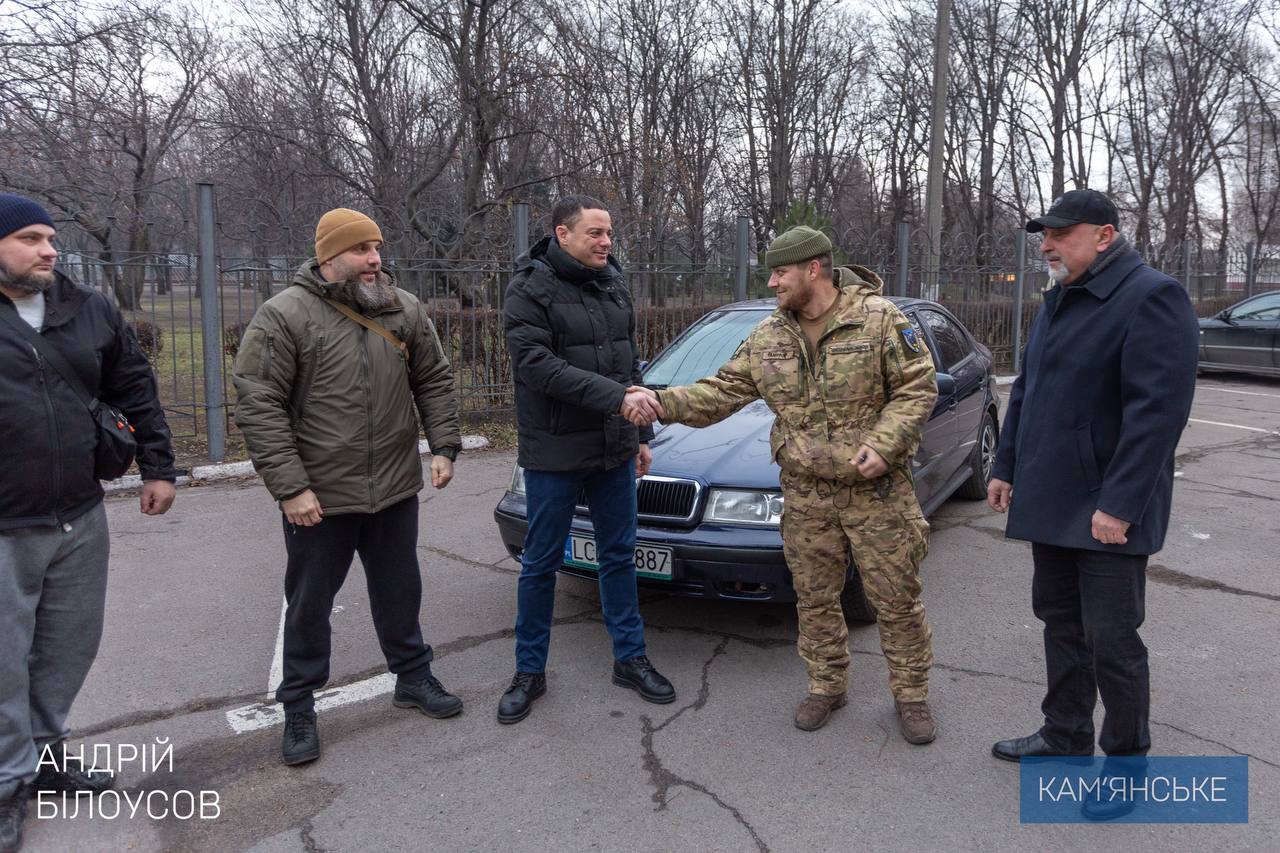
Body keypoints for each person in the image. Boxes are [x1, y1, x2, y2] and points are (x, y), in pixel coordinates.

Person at [642, 226, 940, 743]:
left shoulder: (878, 320)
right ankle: (827, 685)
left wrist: (885, 443)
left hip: (878, 493)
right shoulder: (769, 336)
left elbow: (918, 387)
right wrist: (659, 402)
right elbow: (722, 392)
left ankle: (911, 696)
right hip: (804, 493)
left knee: (895, 598)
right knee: (814, 597)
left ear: (813, 269)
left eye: (780, 272)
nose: (773, 281)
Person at [232, 208, 462, 766]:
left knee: (400, 588)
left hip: (393, 487)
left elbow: (432, 377)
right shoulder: (283, 315)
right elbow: (258, 403)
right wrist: (290, 487)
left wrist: (444, 445)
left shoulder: (401, 308)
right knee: (310, 604)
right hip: (319, 495)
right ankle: (299, 707)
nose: (375, 259)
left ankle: (412, 676)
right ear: (329, 256)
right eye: (362, 250)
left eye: (377, 248)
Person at [987, 189, 1198, 777]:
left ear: (1104, 236)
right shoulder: (1060, 298)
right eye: (1044, 235)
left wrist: (1120, 505)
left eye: (1060, 234)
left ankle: (1127, 760)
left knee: (1113, 641)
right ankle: (1066, 735)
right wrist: (1006, 467)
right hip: (1051, 498)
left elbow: (1157, 416)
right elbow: (1029, 390)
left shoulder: (1152, 297)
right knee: (1060, 622)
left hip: (1109, 512)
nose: (1047, 245)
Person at [0, 194, 176, 852]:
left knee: (69, 648)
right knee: (2, 661)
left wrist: (159, 467)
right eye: (28, 238)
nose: (48, 248)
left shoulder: (87, 306)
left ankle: (42, 758)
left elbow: (135, 386)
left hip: (79, 512)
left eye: (49, 237)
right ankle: (6, 780)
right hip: (6, 524)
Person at [498, 194, 675, 724]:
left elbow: (628, 361)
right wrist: (616, 399)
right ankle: (529, 671)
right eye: (595, 233)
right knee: (540, 564)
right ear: (562, 234)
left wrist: (641, 432)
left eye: (609, 233)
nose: (605, 242)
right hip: (554, 452)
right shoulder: (528, 289)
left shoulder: (613, 284)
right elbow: (538, 367)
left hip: (614, 447)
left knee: (619, 555)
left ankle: (630, 658)